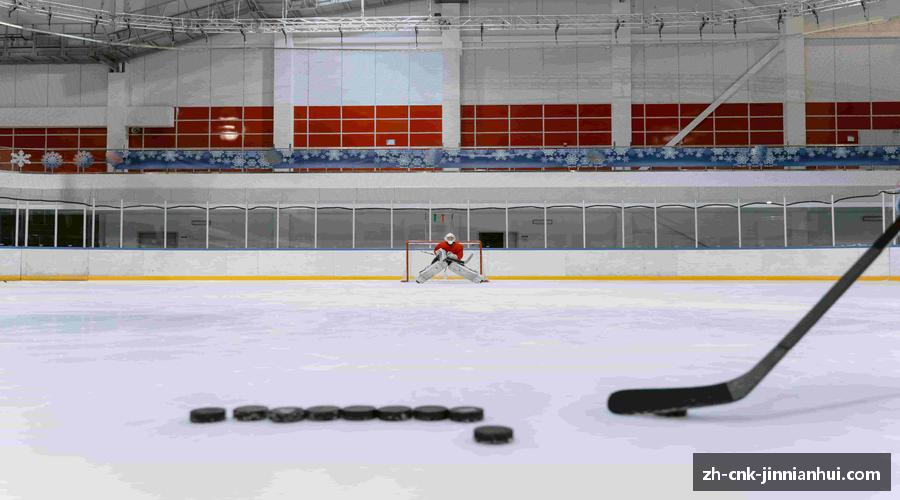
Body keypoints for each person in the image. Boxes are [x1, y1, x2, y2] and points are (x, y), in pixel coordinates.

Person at [416, 233, 487, 284]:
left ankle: (477, 278)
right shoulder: (441, 245)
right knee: (435, 266)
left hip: (453, 261)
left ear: (454, 239)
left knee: (458, 268)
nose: (450, 239)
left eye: (451, 238)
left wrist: (454, 256)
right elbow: (436, 251)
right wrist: (439, 254)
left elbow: (460, 255)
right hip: (442, 259)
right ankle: (421, 278)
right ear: (446, 239)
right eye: (448, 238)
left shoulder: (459, 246)